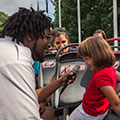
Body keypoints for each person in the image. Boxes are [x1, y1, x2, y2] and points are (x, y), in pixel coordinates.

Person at [0, 7, 76, 120]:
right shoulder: (17, 60)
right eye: (46, 37)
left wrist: (59, 82)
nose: (49, 44)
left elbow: (27, 96)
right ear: (30, 36)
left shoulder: (8, 51)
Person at [69, 36, 120, 120]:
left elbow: (116, 103)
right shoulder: (110, 69)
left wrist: (112, 98)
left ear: (97, 56)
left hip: (89, 113)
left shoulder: (100, 77)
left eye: (87, 59)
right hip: (101, 110)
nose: (86, 63)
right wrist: (112, 95)